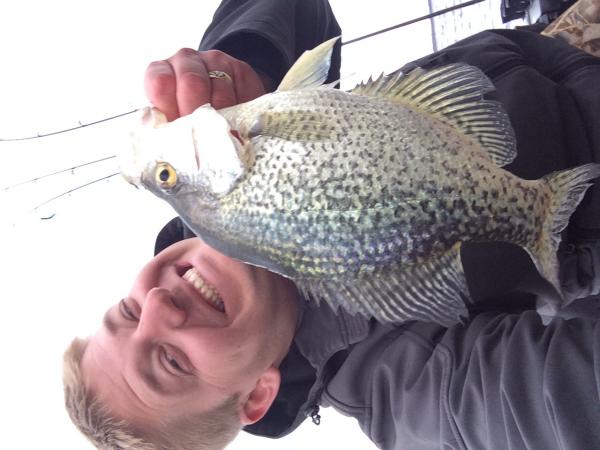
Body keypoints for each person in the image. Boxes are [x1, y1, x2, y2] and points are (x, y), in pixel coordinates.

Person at [63, 1, 600, 449]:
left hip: (558, 39)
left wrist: (245, 64)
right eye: (171, 361)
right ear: (257, 395)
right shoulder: (405, 389)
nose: (159, 305)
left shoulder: (214, 170)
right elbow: (556, 407)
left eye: (128, 312)